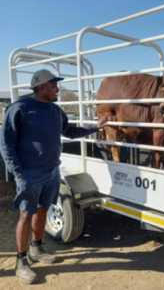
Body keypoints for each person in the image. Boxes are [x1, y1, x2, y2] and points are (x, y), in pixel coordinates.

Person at [0, 69, 108, 284]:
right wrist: (18, 173)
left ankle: (36, 248)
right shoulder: (20, 108)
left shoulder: (55, 111)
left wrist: (95, 128)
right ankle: (21, 262)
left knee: (42, 210)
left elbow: (69, 131)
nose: (57, 89)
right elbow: (6, 144)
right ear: (40, 88)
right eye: (53, 86)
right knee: (25, 215)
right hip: (29, 174)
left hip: (51, 171)